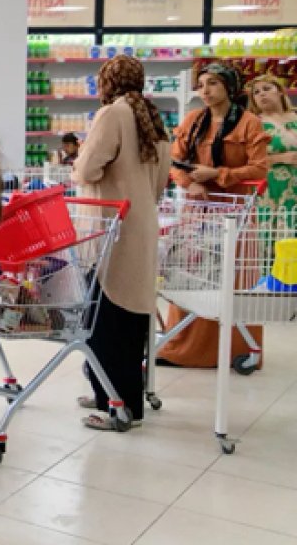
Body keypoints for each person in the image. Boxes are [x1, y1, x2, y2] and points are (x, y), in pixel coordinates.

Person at [71, 55, 171, 431]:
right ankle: (112, 394)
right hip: (142, 222)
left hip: (111, 225)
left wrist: (79, 165)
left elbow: (87, 168)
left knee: (103, 318)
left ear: (106, 82)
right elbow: (161, 182)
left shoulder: (113, 114)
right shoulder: (153, 118)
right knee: (129, 319)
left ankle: (118, 406)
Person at [159, 62, 269, 368]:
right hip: (197, 212)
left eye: (213, 84)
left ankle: (239, 350)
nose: (205, 91)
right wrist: (191, 182)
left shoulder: (249, 123)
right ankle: (181, 347)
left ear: (229, 88)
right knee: (191, 278)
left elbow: (260, 168)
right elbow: (175, 162)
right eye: (201, 85)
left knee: (233, 280)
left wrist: (217, 174)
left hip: (236, 213)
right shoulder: (193, 121)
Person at [249, 74, 297, 216]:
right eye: (256, 92)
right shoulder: (253, 124)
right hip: (273, 189)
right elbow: (245, 161)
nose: (262, 94)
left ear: (280, 91)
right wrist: (280, 159)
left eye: (266, 88)